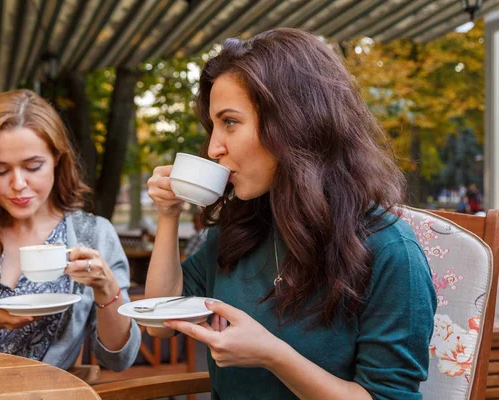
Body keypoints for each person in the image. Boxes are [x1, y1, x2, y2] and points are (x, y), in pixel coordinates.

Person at [145, 28, 436, 399]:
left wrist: (272, 355)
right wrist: (168, 216)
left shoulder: (391, 252)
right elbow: (160, 325)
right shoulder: (240, 229)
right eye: (212, 126)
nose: (213, 147)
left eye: (229, 122)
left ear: (294, 122)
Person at [0, 89, 141, 371]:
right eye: (1, 170)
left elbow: (118, 359)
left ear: (57, 157)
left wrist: (106, 288)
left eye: (33, 166)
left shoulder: (93, 235)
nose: (18, 184)